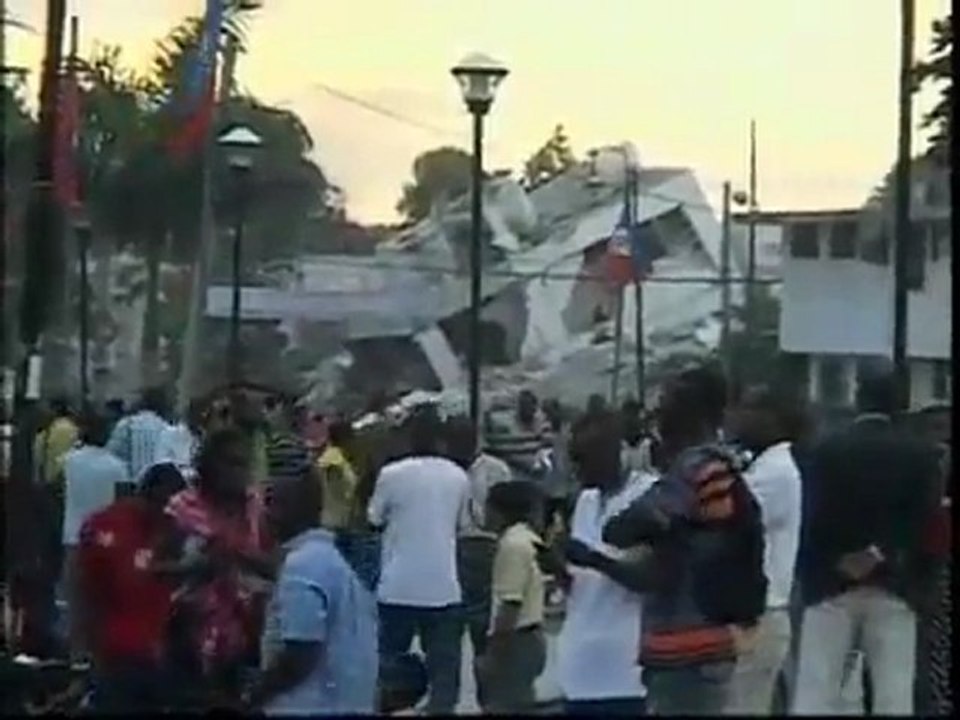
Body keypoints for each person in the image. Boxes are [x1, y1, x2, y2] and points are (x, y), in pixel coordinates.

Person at [603, 365, 767, 716]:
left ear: (688, 414)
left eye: (664, 408)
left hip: (686, 646)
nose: (656, 418)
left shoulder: (693, 469)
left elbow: (619, 528)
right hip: (709, 639)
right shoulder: (724, 466)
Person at [792, 372, 940, 715]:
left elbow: (813, 515)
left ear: (859, 399)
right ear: (899, 403)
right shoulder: (919, 454)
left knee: (818, 689)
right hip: (894, 582)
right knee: (894, 692)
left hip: (831, 583)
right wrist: (879, 552)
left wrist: (833, 560)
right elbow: (923, 517)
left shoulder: (827, 448)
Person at [154, 427, 274, 709]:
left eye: (244, 463)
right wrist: (193, 567)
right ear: (208, 465)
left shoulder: (257, 507)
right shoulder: (181, 508)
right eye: (231, 462)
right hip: (189, 637)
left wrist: (237, 554)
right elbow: (155, 568)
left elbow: (277, 567)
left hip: (248, 638)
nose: (239, 472)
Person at [246, 469, 378, 714]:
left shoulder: (303, 565)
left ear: (282, 510)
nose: (262, 513)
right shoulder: (327, 558)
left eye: (269, 503)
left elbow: (301, 654)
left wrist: (256, 694)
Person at [368, 406, 470, 715]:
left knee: (386, 670)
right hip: (443, 588)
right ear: (441, 439)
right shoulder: (458, 476)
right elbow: (462, 525)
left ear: (410, 436)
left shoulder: (391, 474)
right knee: (444, 676)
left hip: (396, 586)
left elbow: (373, 519)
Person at [556, 409, 656, 716]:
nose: (576, 469)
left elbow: (649, 578)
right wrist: (557, 565)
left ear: (612, 452)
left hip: (624, 670)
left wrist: (595, 559)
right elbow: (579, 586)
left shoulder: (649, 494)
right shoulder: (585, 502)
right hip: (579, 667)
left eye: (583, 458)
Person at [75, 463, 186, 712]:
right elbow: (95, 587)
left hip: (157, 652)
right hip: (119, 653)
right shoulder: (108, 526)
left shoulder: (170, 530)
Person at [724, 386, 805, 715]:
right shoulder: (762, 466)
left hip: (760, 615)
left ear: (773, 419)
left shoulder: (775, 472)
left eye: (748, 410)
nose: (738, 418)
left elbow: (723, 518)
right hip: (753, 613)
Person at [445, 415, 512, 707]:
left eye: (464, 439)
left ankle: (489, 700)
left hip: (486, 550)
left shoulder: (496, 470)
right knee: (448, 636)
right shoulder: (444, 473)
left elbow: (509, 513)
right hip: (452, 551)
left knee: (484, 632)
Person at [61, 411, 130, 657]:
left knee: (75, 603)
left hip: (73, 538)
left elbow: (58, 494)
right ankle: (99, 655)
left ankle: (76, 655)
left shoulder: (68, 461)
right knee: (102, 602)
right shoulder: (118, 467)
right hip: (107, 541)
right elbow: (123, 505)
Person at [478, 481, 547, 714]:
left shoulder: (512, 546)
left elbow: (510, 605)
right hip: (529, 639)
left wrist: (493, 656)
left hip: (517, 642)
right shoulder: (527, 538)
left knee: (504, 705)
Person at [485, 389, 552, 486]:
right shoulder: (503, 424)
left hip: (536, 473)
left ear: (535, 408)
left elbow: (548, 449)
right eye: (523, 406)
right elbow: (496, 447)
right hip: (509, 471)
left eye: (530, 407)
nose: (527, 410)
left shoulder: (542, 424)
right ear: (518, 407)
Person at [106, 387, 171, 482]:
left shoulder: (127, 425)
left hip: (132, 484)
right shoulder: (166, 428)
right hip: (158, 486)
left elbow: (111, 456)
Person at [316, 418, 359, 533]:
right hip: (336, 522)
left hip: (339, 520)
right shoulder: (332, 461)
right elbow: (344, 489)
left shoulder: (338, 457)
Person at [154, 398, 205, 483]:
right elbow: (161, 463)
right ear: (188, 415)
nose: (202, 416)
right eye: (198, 412)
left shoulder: (204, 437)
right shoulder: (169, 434)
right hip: (175, 482)